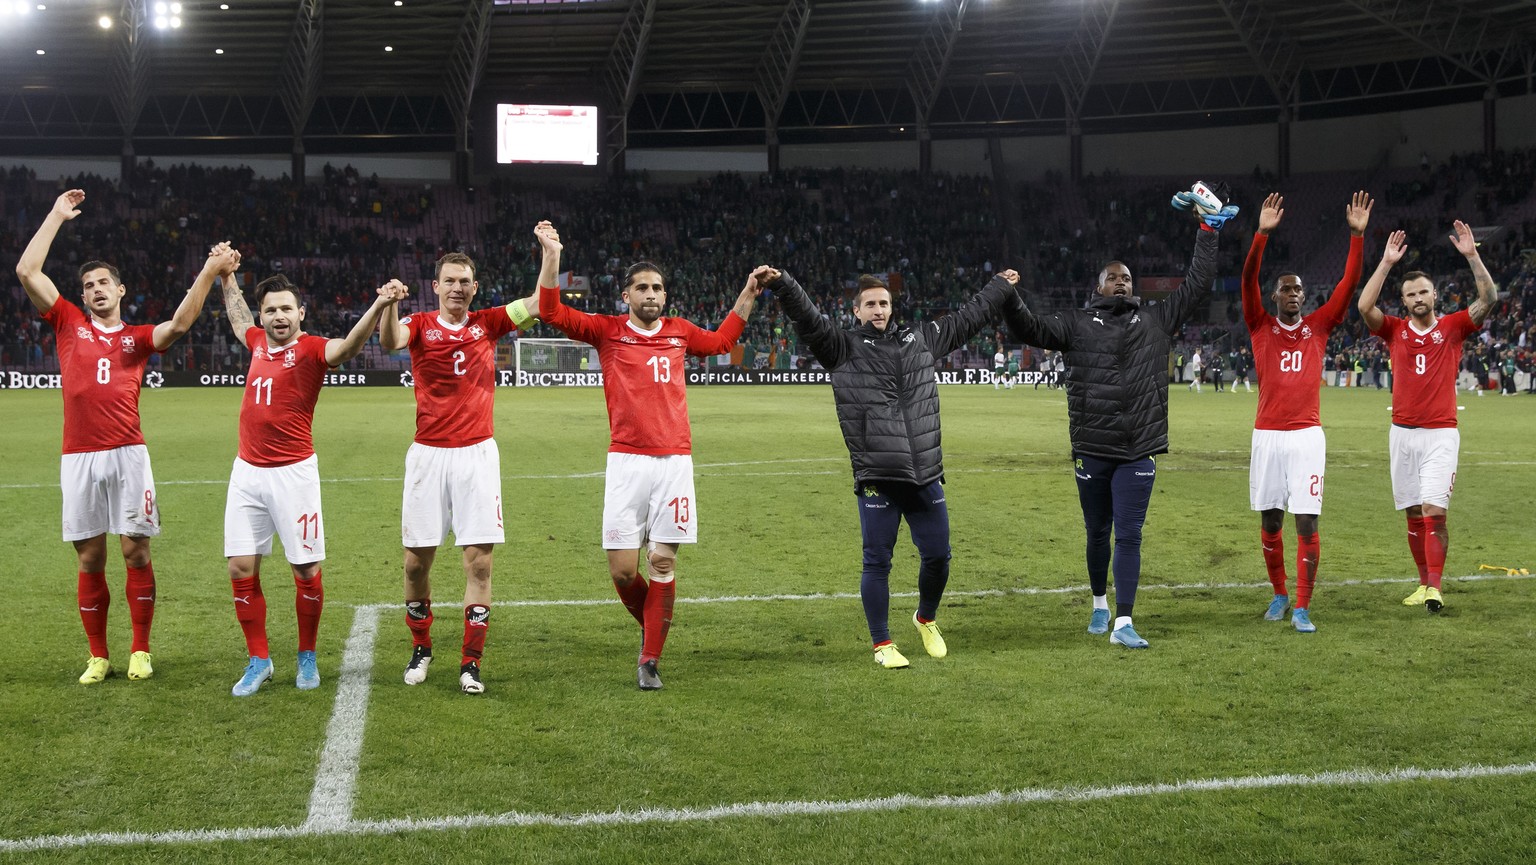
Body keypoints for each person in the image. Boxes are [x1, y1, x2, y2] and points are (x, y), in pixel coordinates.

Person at [14, 188, 232, 684]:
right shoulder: (67, 321)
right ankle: (97, 655)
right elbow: (28, 272)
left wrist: (210, 270)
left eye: (103, 282)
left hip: (129, 455)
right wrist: (55, 216)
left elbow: (178, 324)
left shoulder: (134, 340)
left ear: (120, 289)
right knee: (90, 556)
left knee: (135, 551)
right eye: (88, 284)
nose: (95, 290)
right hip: (79, 457)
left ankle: (139, 649)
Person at [1000, 181, 1229, 648]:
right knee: (1097, 532)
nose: (1122, 281)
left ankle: (1123, 621)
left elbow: (1197, 283)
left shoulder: (1156, 320)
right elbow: (1030, 328)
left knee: (1129, 533)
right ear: (1097, 287)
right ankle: (1100, 602)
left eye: (1127, 277)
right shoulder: (1076, 323)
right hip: (1092, 448)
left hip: (1138, 448)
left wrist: (1207, 231)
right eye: (1113, 277)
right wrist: (1007, 296)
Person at [535, 222, 759, 690]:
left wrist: (747, 294)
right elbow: (553, 313)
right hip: (627, 463)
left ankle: (650, 659)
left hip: (675, 463)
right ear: (626, 295)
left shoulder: (679, 332)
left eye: (658, 287)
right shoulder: (607, 332)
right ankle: (656, 622)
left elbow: (721, 342)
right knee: (622, 571)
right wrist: (552, 254)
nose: (652, 294)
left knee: (661, 564)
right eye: (642, 287)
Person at [758, 266, 1016, 668]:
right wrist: (783, 283)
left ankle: (925, 618)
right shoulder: (841, 347)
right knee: (877, 561)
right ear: (856, 311)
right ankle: (883, 644)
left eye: (885, 303)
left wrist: (999, 286)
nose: (879, 310)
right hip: (878, 473)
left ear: (892, 308)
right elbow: (807, 318)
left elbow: (969, 317)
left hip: (925, 471)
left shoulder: (922, 339)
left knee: (939, 556)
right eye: (871, 304)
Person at [218, 273, 409, 696]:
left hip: (294, 474)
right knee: (239, 567)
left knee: (304, 569)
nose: (279, 316)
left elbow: (347, 348)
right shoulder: (255, 342)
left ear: (300, 313)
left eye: (287, 308)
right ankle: (259, 660)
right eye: (270, 309)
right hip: (246, 472)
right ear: (263, 315)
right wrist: (227, 276)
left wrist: (378, 306)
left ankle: (307, 655)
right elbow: (237, 318)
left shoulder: (311, 349)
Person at [378, 246, 543, 694]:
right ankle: (421, 647)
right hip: (428, 455)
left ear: (474, 286)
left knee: (480, 566)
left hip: (477, 456)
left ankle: (471, 662)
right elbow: (389, 341)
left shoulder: (488, 322)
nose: (457, 287)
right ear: (436, 286)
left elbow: (540, 302)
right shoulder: (418, 325)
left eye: (464, 281)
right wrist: (390, 302)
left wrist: (550, 253)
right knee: (415, 564)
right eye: (449, 280)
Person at [1240, 191, 1370, 633]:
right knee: (1271, 519)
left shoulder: (1319, 327)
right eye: (1286, 288)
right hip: (1268, 435)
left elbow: (1348, 286)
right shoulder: (1260, 325)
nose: (1294, 293)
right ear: (1274, 295)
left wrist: (1356, 236)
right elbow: (1246, 280)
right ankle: (1278, 594)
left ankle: (1301, 606)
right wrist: (1261, 234)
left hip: (1307, 436)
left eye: (1298, 289)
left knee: (1307, 519)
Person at [1357, 222, 1497, 613]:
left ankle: (1435, 587)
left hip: (1439, 434)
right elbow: (1364, 307)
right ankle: (1423, 583)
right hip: (1401, 434)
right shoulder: (1394, 331)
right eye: (1411, 294)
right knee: (1413, 513)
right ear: (1404, 301)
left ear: (1435, 295)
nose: (1418, 298)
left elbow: (1489, 297)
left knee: (1435, 510)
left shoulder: (1453, 328)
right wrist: (1385, 264)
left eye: (1423, 292)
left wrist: (1472, 256)